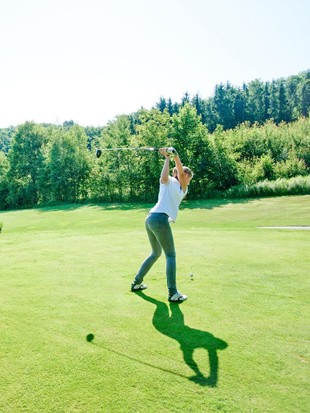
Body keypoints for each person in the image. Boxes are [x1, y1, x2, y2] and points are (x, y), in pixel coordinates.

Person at [131, 147, 193, 302]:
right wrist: (167, 158)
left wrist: (175, 156)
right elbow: (164, 178)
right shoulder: (169, 181)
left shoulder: (183, 188)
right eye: (186, 175)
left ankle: (136, 283)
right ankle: (173, 293)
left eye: (188, 178)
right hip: (158, 219)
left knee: (156, 253)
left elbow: (179, 171)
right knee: (170, 255)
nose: (187, 179)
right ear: (175, 174)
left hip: (151, 219)